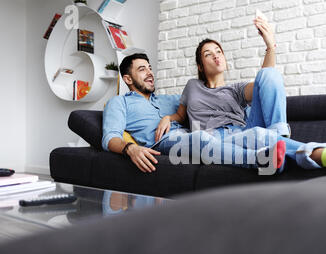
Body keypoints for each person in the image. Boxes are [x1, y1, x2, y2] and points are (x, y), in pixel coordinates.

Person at [155, 15, 326, 174]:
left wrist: (270, 47)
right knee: (259, 136)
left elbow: (265, 83)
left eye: (219, 52)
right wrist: (168, 118)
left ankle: (279, 138)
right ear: (200, 65)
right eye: (208, 54)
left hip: (242, 131)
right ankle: (324, 155)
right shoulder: (192, 86)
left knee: (269, 75)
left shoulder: (235, 90)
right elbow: (181, 115)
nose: (216, 56)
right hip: (215, 138)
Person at [102, 53, 285, 174]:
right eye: (142, 69)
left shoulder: (167, 100)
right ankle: (261, 160)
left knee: (253, 135)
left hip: (197, 137)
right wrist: (130, 148)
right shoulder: (119, 102)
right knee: (200, 138)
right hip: (162, 143)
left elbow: (204, 100)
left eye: (150, 68)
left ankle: (302, 154)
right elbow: (110, 137)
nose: (150, 73)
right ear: (127, 78)